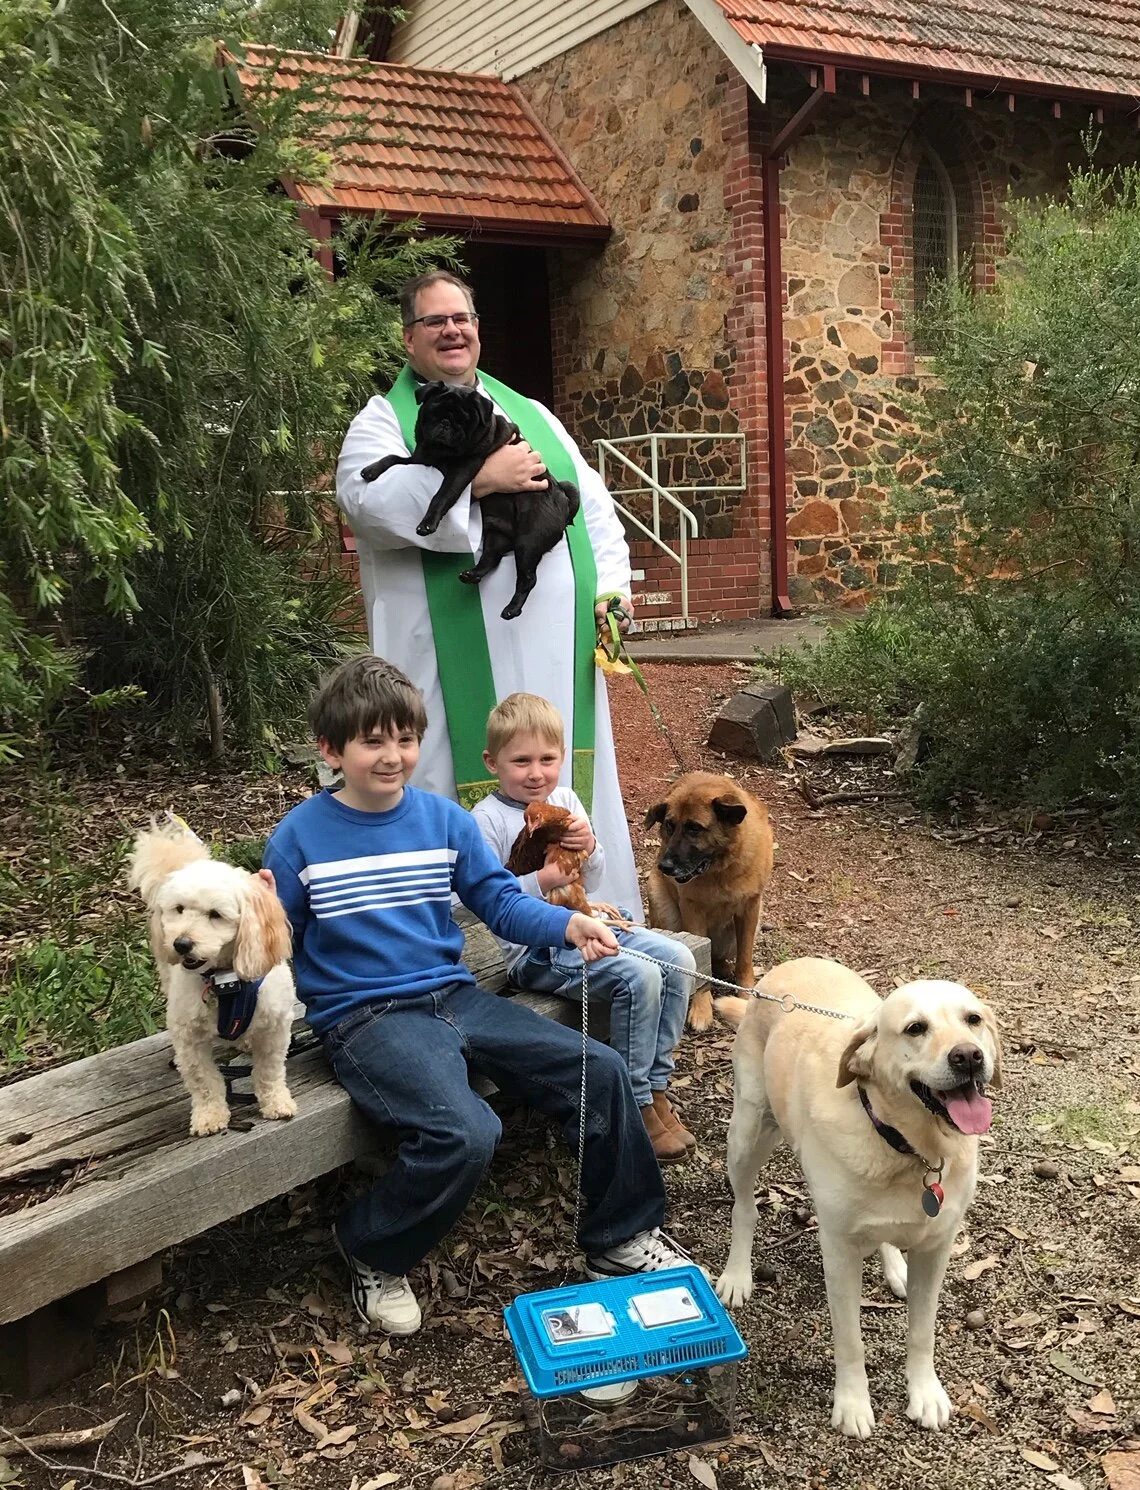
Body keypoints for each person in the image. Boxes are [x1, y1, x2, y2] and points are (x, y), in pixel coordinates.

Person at [263, 654, 700, 1337]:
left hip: (454, 996)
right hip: (366, 1016)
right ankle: (371, 1244)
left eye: (404, 740)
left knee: (602, 1070)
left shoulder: (442, 822)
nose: (392, 756)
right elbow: (269, 937)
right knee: (467, 1132)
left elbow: (497, 903)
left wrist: (569, 921)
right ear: (330, 749)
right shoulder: (298, 839)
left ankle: (619, 1238)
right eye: (372, 741)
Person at [335, 269, 641, 914]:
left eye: (463, 319)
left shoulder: (530, 414)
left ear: (477, 330)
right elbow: (367, 501)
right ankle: (475, 929)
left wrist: (610, 589)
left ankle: (590, 913)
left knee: (561, 775)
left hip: (559, 648)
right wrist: (480, 479)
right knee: (462, 780)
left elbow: (593, 507)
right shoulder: (383, 421)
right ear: (408, 339)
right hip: (452, 652)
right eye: (434, 321)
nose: (452, 330)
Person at [472, 693, 698, 1166]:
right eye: (521, 761)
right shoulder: (486, 820)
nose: (536, 773)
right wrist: (541, 881)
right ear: (493, 762)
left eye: (547, 759)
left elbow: (590, 878)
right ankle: (633, 1100)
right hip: (535, 951)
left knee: (680, 959)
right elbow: (482, 902)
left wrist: (589, 844)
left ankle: (656, 1084)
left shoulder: (565, 800)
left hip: (587, 920)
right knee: (641, 976)